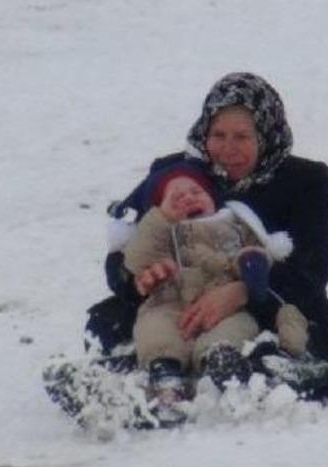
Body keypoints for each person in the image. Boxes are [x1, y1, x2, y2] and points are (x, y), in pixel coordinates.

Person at [88, 71, 328, 370]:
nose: (227, 149)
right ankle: (152, 368)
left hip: (266, 305)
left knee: (302, 330)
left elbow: (313, 268)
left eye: (242, 137)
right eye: (218, 135)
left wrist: (243, 292)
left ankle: (263, 367)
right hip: (179, 302)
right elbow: (124, 247)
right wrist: (140, 279)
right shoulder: (176, 174)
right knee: (106, 321)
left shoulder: (305, 181)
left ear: (265, 135)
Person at [120, 160, 305, 424]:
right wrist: (161, 219)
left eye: (196, 192)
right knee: (155, 328)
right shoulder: (161, 231)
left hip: (224, 301)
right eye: (176, 197)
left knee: (235, 326)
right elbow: (136, 258)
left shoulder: (232, 222)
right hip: (171, 302)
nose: (187, 199)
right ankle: (165, 372)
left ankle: (220, 364)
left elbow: (256, 248)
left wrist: (252, 261)